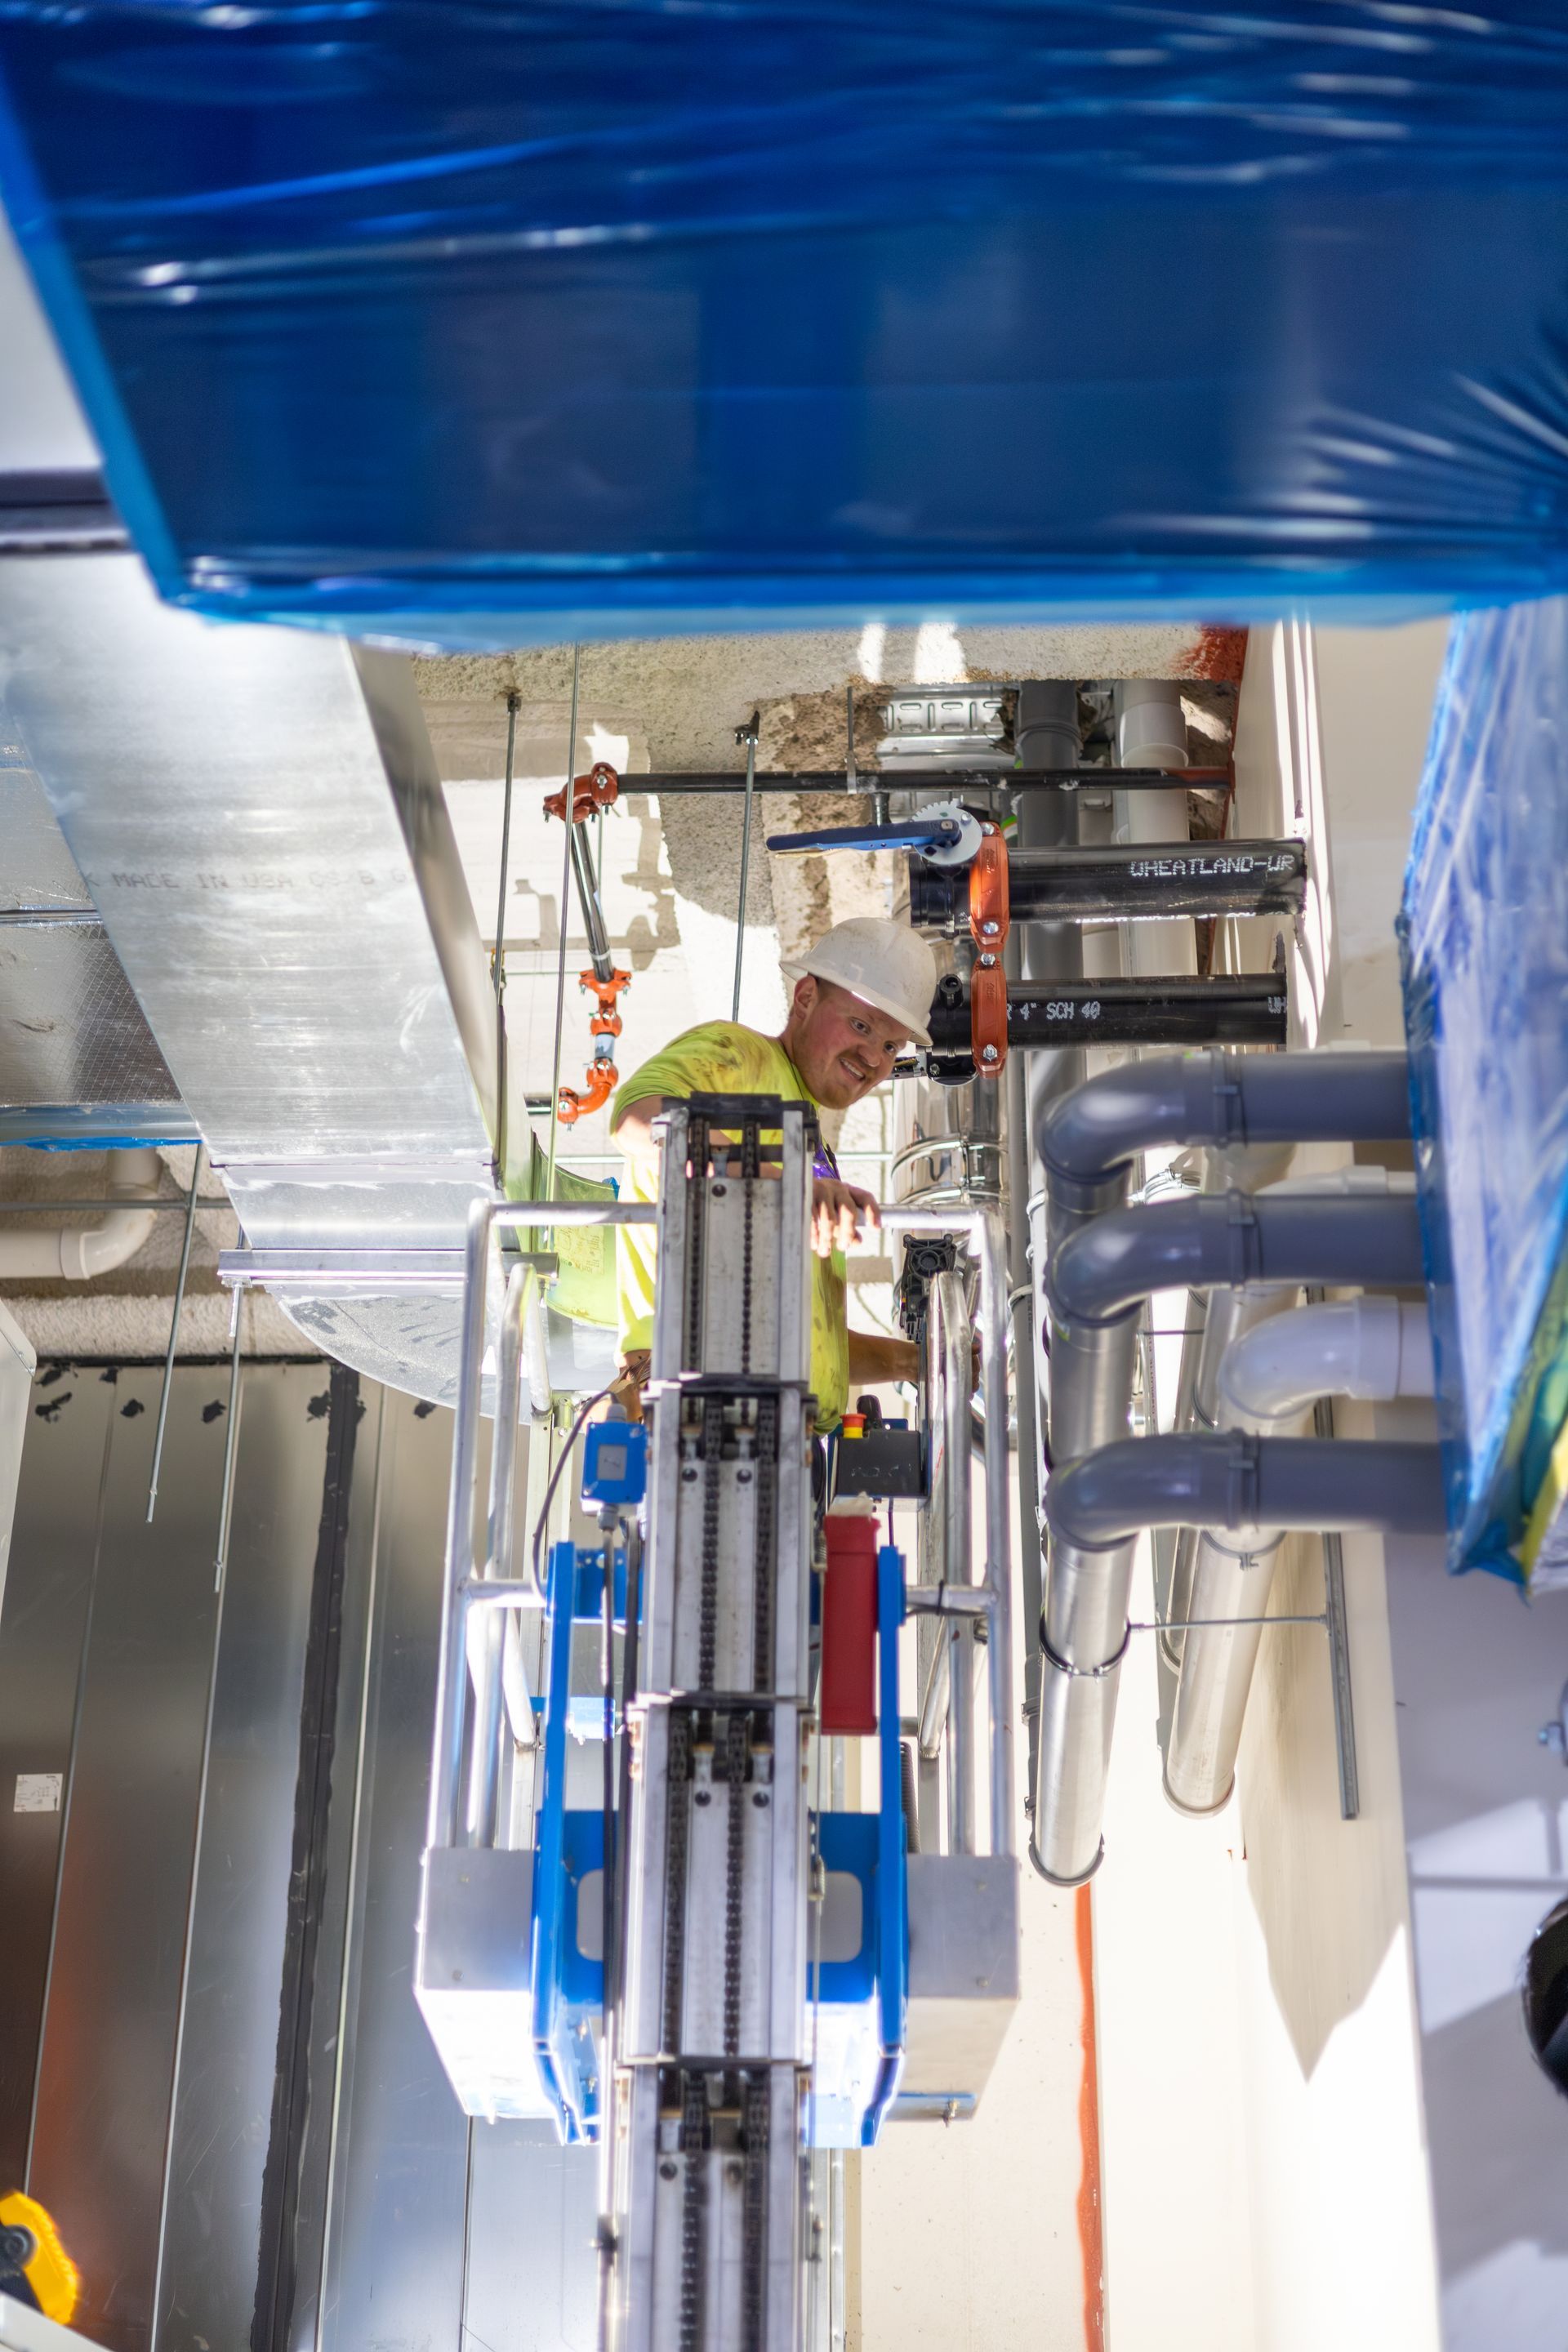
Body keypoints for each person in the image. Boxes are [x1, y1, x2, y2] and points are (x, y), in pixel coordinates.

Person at [611, 916, 938, 1429]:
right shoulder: (740, 1055)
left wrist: (920, 1362)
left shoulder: (811, 1146)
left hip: (786, 1444)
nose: (873, 1057)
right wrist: (785, 1185)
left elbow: (817, 1347)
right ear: (806, 997)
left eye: (892, 1046)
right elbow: (636, 1123)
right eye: (861, 1026)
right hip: (701, 1406)